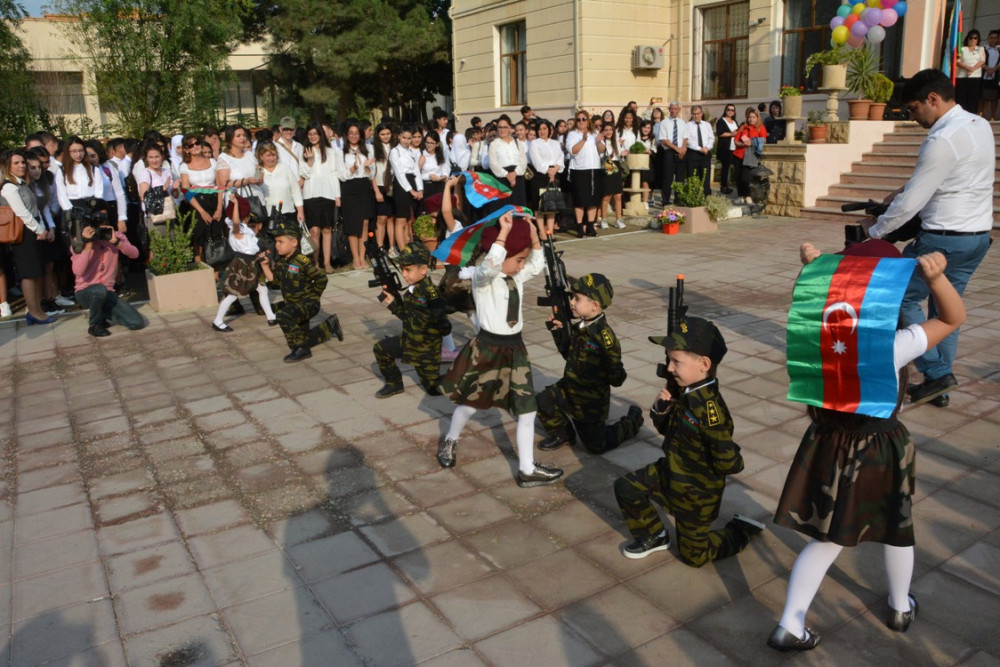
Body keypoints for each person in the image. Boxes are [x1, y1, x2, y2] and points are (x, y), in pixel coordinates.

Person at [767, 242, 966, 652]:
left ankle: (791, 622)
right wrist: (935, 279)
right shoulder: (892, 346)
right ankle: (898, 605)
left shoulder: (819, 334)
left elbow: (809, 306)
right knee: (897, 527)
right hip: (879, 450)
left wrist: (814, 270)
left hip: (826, 444)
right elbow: (952, 317)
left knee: (826, 538)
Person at [862, 69, 994, 408]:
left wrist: (874, 232)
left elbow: (912, 204)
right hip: (976, 238)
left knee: (899, 299)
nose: (912, 116)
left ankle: (936, 373)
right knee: (946, 308)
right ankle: (939, 386)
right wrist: (901, 190)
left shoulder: (942, 139)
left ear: (932, 100)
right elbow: (945, 179)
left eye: (913, 108)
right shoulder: (979, 125)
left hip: (942, 239)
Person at [613, 316, 764, 564]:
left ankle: (741, 530)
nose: (670, 368)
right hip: (670, 472)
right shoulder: (685, 391)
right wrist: (662, 408)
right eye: (669, 360)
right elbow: (669, 431)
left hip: (696, 493)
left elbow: (729, 463)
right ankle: (656, 536)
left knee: (694, 557)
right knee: (626, 487)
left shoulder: (710, 410)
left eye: (676, 362)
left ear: (704, 364)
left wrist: (729, 455)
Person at [437, 214, 563, 488]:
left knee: (527, 410)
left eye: (522, 260)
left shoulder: (514, 276)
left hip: (515, 349)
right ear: (503, 252)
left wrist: (533, 235)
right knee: (471, 405)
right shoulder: (484, 279)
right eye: (518, 260)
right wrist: (504, 234)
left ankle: (527, 469)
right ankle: (450, 439)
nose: (521, 266)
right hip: (488, 349)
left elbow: (537, 264)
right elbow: (490, 265)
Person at [536, 273, 644, 455]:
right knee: (542, 401)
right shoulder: (581, 327)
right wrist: (559, 331)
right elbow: (569, 355)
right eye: (572, 297)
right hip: (569, 387)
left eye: (576, 298)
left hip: (589, 401)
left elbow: (617, 378)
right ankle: (563, 434)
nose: (571, 302)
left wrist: (609, 368)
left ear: (595, 305)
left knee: (596, 446)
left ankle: (632, 421)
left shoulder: (603, 337)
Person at [372, 242, 450, 398]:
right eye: (402, 269)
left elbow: (444, 325)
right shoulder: (411, 291)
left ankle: (461, 376)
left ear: (423, 270)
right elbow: (408, 318)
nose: (404, 274)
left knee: (433, 389)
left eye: (408, 270)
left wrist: (433, 333)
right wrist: (392, 304)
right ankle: (394, 384)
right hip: (409, 343)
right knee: (381, 349)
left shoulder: (430, 293)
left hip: (426, 350)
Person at [258, 222, 343, 363]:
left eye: (281, 241)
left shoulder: (302, 261)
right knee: (303, 337)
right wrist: (264, 266)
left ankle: (301, 350)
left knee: (283, 315)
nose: (277, 245)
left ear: (294, 242)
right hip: (294, 304)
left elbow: (321, 278)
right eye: (276, 242)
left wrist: (314, 298)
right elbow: (275, 282)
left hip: (307, 304)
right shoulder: (281, 262)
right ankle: (330, 326)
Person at [70, 209, 145, 337]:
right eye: (96, 225)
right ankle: (95, 325)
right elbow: (78, 270)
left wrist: (116, 242)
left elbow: (135, 254)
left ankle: (102, 312)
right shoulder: (79, 240)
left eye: (103, 222)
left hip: (108, 292)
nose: (100, 227)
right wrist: (87, 246)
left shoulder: (115, 236)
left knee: (136, 323)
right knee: (98, 290)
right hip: (85, 292)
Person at [1, 150, 55, 325]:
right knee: (29, 273)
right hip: (24, 233)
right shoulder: (9, 186)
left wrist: (43, 228)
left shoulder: (23, 184)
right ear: (8, 166)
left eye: (22, 162)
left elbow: (35, 207)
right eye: (16, 163)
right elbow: (22, 212)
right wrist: (38, 229)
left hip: (35, 230)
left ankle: (37, 309)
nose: (21, 166)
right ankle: (33, 311)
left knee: (37, 272)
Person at [210, 206, 277, 332]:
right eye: (246, 217)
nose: (248, 220)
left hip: (250, 263)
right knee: (232, 295)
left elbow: (253, 247)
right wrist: (235, 204)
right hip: (242, 265)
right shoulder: (237, 231)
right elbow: (236, 222)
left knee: (262, 289)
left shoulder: (245, 231)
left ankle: (271, 316)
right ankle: (217, 321)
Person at [301, 122, 342, 274]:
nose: (312, 137)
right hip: (310, 195)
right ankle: (315, 262)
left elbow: (334, 174)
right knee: (314, 231)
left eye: (315, 134)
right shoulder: (305, 151)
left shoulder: (331, 152)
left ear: (320, 135)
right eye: (310, 134)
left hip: (328, 194)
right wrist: (309, 162)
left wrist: (337, 195)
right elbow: (304, 173)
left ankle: (327, 262)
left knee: (327, 229)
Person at [337, 121, 375, 270]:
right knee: (353, 225)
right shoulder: (340, 152)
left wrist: (366, 168)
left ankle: (363, 255)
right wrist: (352, 169)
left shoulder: (368, 149)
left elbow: (372, 173)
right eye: (351, 133)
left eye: (356, 133)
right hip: (349, 188)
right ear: (347, 135)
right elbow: (341, 175)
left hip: (364, 186)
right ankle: (356, 258)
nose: (354, 136)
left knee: (365, 222)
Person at [566, 111, 603, 238]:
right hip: (579, 170)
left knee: (593, 199)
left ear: (588, 121)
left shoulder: (595, 133)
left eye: (584, 119)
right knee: (580, 200)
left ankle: (591, 226)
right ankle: (580, 226)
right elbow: (572, 151)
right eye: (579, 119)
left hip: (594, 168)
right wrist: (583, 139)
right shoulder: (572, 134)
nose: (581, 122)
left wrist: (598, 141)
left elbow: (602, 150)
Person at [389, 124, 423, 253]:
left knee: (410, 219)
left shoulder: (411, 152)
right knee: (401, 218)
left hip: (412, 182)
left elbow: (416, 171)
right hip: (401, 185)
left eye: (409, 138)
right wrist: (411, 190)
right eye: (404, 138)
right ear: (399, 137)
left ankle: (410, 246)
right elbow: (399, 173)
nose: (407, 141)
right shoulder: (394, 151)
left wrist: (420, 189)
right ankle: (403, 250)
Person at [527, 120, 564, 236]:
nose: (542, 131)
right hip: (540, 176)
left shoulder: (555, 143)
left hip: (554, 175)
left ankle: (550, 231)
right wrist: (549, 171)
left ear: (549, 130)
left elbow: (560, 158)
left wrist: (555, 169)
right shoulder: (535, 143)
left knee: (552, 205)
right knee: (540, 205)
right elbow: (537, 162)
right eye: (540, 129)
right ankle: (542, 232)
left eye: (544, 129)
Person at [487, 115, 528, 208]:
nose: (502, 130)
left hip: (518, 177)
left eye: (505, 127)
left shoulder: (517, 142)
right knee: (504, 207)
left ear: (510, 128)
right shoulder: (494, 144)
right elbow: (493, 163)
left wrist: (515, 173)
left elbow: (523, 160)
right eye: (499, 127)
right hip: (502, 179)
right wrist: (507, 174)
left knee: (518, 205)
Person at [732, 107, 767, 205]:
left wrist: (752, 142)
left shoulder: (760, 128)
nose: (751, 119)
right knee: (738, 177)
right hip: (739, 154)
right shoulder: (743, 126)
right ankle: (740, 196)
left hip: (750, 157)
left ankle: (747, 196)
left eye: (753, 117)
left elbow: (763, 140)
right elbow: (736, 141)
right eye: (750, 117)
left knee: (745, 178)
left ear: (757, 118)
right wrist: (743, 144)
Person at [655, 101, 687, 205]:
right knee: (667, 178)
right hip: (669, 152)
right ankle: (666, 200)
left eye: (675, 109)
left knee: (680, 178)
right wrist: (677, 149)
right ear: (669, 110)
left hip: (681, 152)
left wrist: (683, 148)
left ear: (679, 109)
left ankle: (678, 200)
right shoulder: (664, 122)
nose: (673, 111)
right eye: (672, 109)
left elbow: (685, 137)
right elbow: (663, 140)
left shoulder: (682, 122)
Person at [597, 124, 624, 230]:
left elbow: (620, 155)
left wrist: (624, 153)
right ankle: (603, 219)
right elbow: (601, 154)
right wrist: (599, 141)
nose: (608, 132)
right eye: (606, 130)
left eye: (610, 130)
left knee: (618, 196)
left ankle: (619, 219)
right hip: (606, 167)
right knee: (606, 196)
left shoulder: (617, 141)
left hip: (616, 167)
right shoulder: (600, 142)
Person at [685, 105, 715, 196]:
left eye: (698, 114)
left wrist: (707, 147)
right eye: (694, 114)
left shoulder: (707, 125)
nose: (696, 116)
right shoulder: (688, 125)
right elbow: (688, 141)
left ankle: (707, 197)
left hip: (705, 153)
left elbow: (711, 138)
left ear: (702, 113)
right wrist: (699, 149)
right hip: (693, 153)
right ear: (692, 115)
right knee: (693, 177)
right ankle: (693, 197)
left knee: (705, 177)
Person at [955, 29, 986, 113]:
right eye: (971, 38)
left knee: (973, 98)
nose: (973, 40)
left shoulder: (980, 49)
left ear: (978, 39)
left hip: (975, 77)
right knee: (961, 99)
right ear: (967, 38)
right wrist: (968, 68)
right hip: (962, 77)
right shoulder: (962, 49)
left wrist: (973, 69)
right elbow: (957, 61)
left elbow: (982, 60)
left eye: (975, 38)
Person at [715, 104, 739, 194]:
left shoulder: (735, 121)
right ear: (725, 110)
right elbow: (720, 133)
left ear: (734, 112)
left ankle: (737, 185)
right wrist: (731, 134)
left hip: (735, 148)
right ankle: (724, 186)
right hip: (725, 148)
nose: (730, 111)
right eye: (728, 109)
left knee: (737, 167)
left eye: (732, 110)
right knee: (725, 167)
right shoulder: (721, 121)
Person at [275, 116, 305, 182]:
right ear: (280, 129)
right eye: (286, 129)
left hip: (298, 185)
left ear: (295, 129)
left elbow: (303, 165)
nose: (289, 132)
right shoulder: (274, 146)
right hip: (281, 184)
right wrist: (256, 177)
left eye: (291, 129)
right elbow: (262, 164)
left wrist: (302, 179)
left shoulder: (299, 146)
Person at [981, 30, 1000, 120]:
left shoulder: (999, 50)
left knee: (994, 97)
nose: (993, 40)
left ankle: (992, 116)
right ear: (988, 38)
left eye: (995, 38)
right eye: (991, 38)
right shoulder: (983, 49)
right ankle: (981, 114)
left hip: (995, 76)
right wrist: (988, 69)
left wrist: (994, 69)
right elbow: (979, 61)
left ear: (997, 39)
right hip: (984, 75)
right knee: (982, 97)